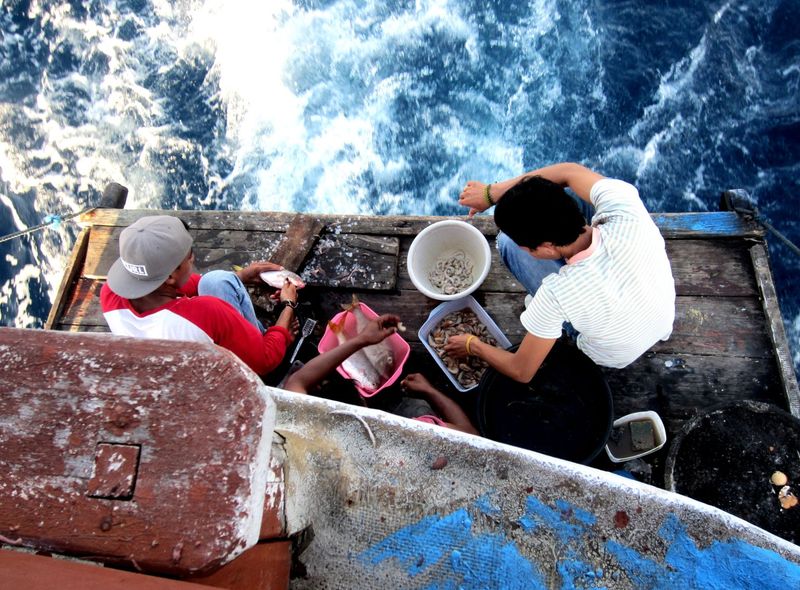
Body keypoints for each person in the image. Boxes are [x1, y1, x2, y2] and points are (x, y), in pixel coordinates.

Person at [446, 162, 675, 382]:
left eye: (525, 246)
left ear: (547, 246)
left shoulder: (555, 296)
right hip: (661, 319)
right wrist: (491, 193)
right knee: (572, 193)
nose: (523, 249)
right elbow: (569, 171)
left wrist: (471, 344)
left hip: (612, 355)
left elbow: (521, 371)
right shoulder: (624, 203)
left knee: (506, 243)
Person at [100, 215, 298, 378]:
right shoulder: (205, 313)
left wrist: (240, 277)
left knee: (217, 281)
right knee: (273, 350)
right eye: (189, 255)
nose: (193, 258)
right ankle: (275, 340)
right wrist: (287, 306)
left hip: (170, 374)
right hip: (230, 384)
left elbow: (187, 285)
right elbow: (265, 361)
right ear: (169, 276)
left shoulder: (110, 294)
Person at [283, 314, 478, 434]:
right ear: (363, 401)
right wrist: (429, 391)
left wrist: (360, 340)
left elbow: (297, 381)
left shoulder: (313, 430)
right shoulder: (420, 430)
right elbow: (470, 434)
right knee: (417, 407)